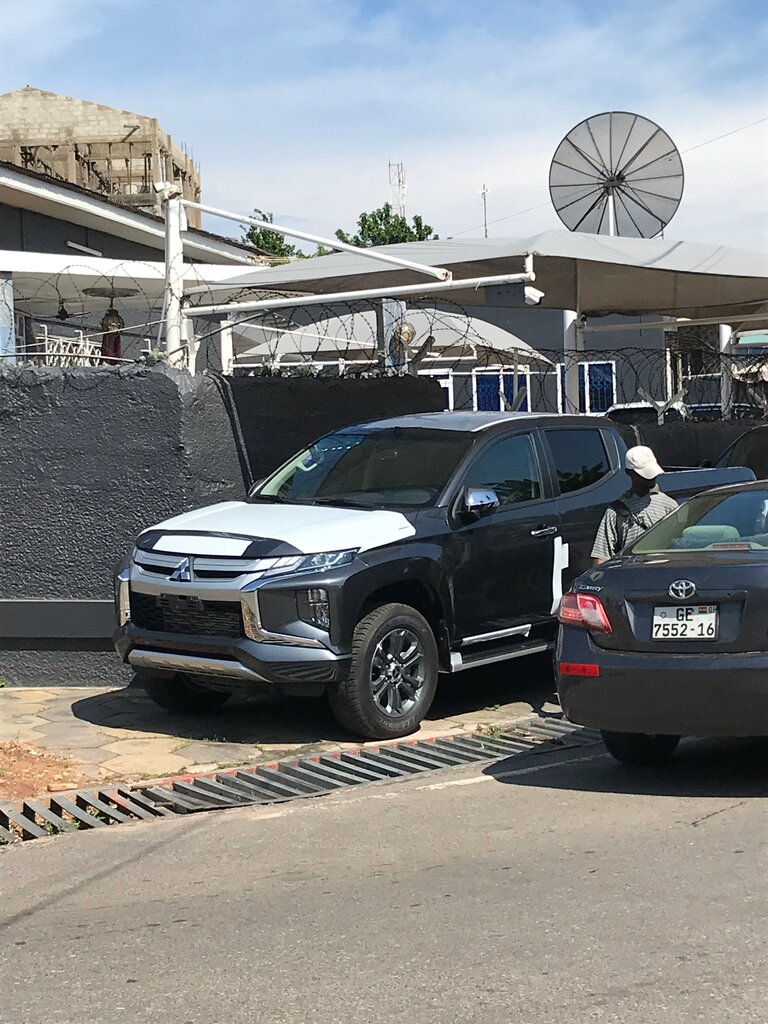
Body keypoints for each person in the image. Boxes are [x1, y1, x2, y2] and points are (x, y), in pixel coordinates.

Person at [592, 445, 678, 565]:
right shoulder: (616, 510)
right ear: (630, 473)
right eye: (645, 474)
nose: (652, 477)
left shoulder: (669, 505)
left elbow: (679, 546)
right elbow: (601, 554)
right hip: (631, 574)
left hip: (661, 571)